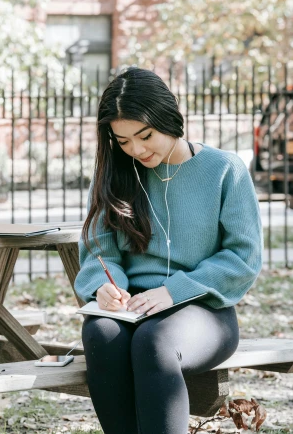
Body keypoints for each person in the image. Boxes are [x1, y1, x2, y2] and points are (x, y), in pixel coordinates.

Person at [74, 67, 262, 434]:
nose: (137, 150)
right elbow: (100, 249)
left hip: (204, 310)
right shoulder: (116, 173)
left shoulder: (225, 170)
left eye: (145, 135)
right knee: (101, 335)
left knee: (154, 341)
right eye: (123, 141)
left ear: (168, 115)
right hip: (133, 307)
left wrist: (175, 290)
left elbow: (243, 258)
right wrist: (104, 285)